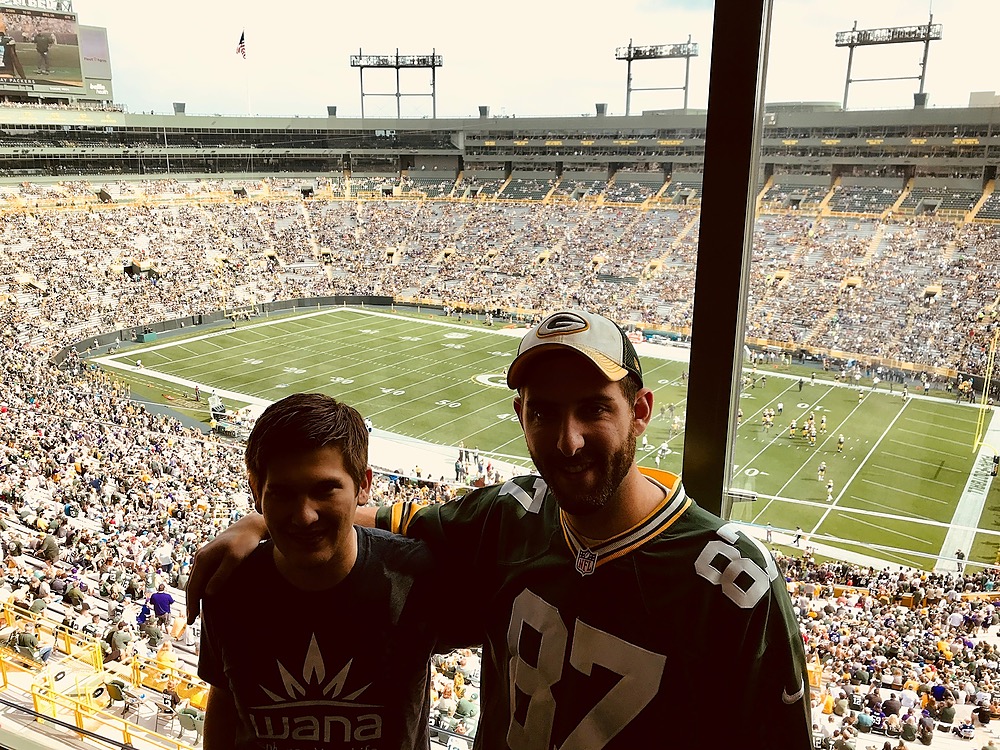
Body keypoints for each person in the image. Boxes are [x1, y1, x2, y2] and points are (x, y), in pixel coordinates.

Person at [189, 310, 811, 749]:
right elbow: (373, 514)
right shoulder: (511, 515)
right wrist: (260, 525)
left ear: (641, 411)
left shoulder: (731, 582)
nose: (567, 442)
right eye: (543, 412)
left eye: (594, 408)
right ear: (520, 415)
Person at [198, 393, 445, 750]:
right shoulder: (229, 581)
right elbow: (222, 702)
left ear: (364, 485)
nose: (304, 515)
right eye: (282, 493)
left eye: (325, 490)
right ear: (256, 491)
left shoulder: (417, 576)